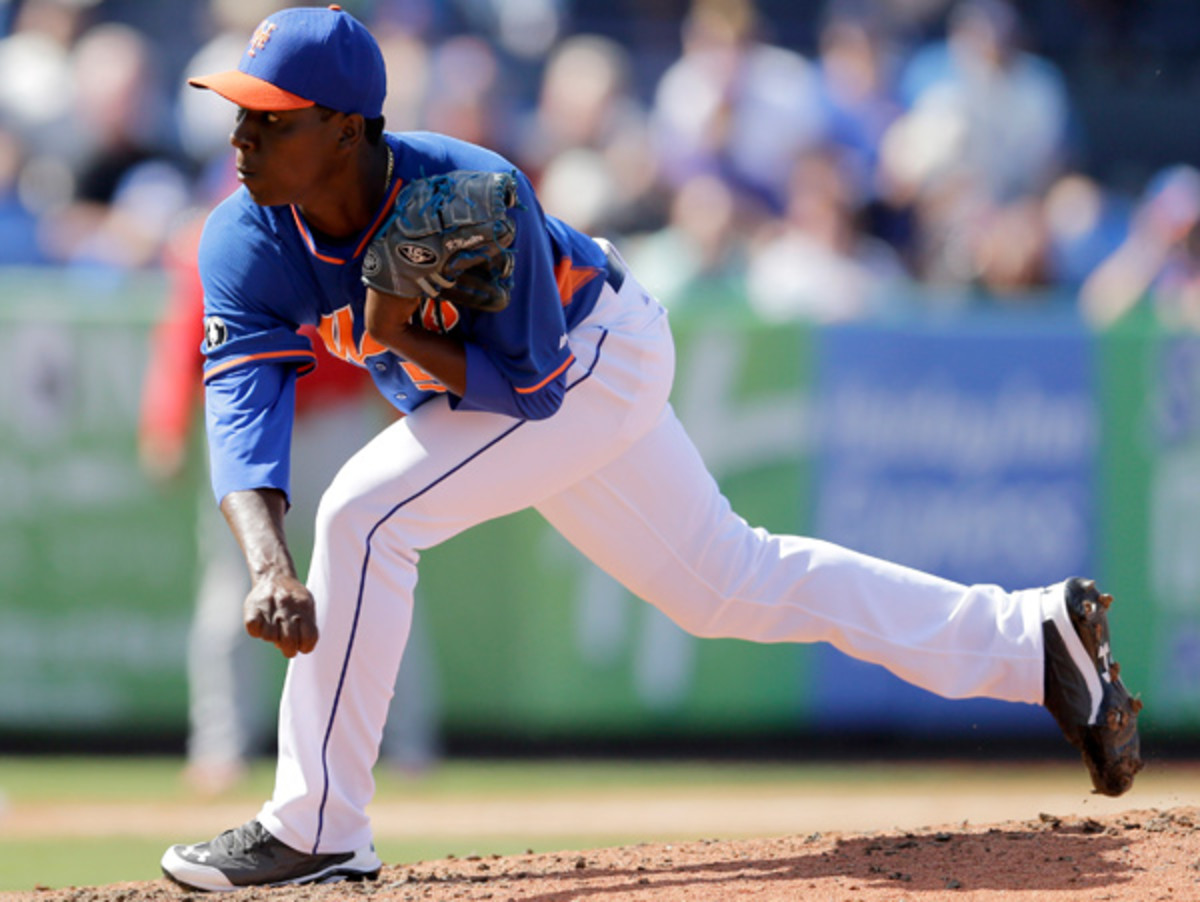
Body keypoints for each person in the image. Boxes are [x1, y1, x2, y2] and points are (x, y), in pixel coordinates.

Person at [160, 5, 1142, 891]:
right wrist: (267, 565)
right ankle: (1031, 638)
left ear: (346, 128)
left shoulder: (471, 191)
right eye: (239, 111)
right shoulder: (242, 238)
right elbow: (241, 404)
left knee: (365, 515)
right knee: (727, 582)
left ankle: (318, 827)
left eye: (272, 116)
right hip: (527, 388)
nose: (242, 135)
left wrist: (400, 330)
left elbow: (533, 389)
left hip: (596, 354)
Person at [138, 208, 441, 797]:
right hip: (250, 419)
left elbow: (383, 322)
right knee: (232, 590)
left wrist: (406, 405)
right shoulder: (218, 233)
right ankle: (220, 747)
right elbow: (186, 333)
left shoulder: (339, 216)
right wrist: (166, 421)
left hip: (335, 415)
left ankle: (408, 743)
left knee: (376, 575)